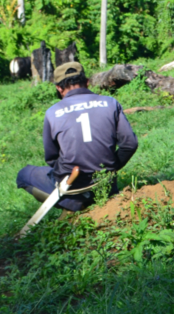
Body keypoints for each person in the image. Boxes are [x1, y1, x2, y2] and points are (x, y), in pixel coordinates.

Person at [16, 62, 138, 211]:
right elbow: (130, 144)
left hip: (72, 183)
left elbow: (51, 158)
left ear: (59, 89)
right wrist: (110, 169)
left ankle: (72, 203)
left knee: (23, 175)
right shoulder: (110, 103)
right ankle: (96, 195)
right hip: (106, 183)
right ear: (87, 83)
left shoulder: (52, 113)